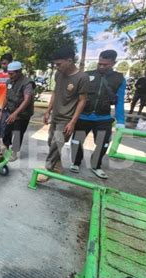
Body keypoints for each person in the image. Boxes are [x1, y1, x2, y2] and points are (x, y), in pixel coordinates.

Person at [70, 50, 126, 179]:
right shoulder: (86, 75)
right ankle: (76, 162)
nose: (101, 66)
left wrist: (121, 121)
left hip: (103, 118)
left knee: (103, 143)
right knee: (76, 141)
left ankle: (96, 165)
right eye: (99, 63)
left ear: (113, 63)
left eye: (105, 64)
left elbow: (120, 101)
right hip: (83, 116)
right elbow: (76, 97)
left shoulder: (119, 79)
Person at [37, 47, 89, 183]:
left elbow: (82, 100)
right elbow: (55, 92)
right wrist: (48, 110)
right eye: (55, 64)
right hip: (56, 115)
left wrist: (73, 121)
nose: (56, 67)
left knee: (56, 143)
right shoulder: (58, 74)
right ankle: (58, 165)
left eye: (59, 64)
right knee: (51, 141)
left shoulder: (82, 77)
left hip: (67, 118)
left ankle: (47, 169)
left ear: (70, 60)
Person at [0, 61, 35, 162]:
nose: (9, 76)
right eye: (8, 73)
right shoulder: (9, 82)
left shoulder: (27, 83)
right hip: (10, 111)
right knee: (7, 131)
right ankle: (5, 148)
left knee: (18, 133)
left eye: (12, 73)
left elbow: (27, 99)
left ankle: (14, 153)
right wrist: (2, 110)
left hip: (23, 114)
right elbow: (6, 96)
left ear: (19, 72)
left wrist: (16, 113)